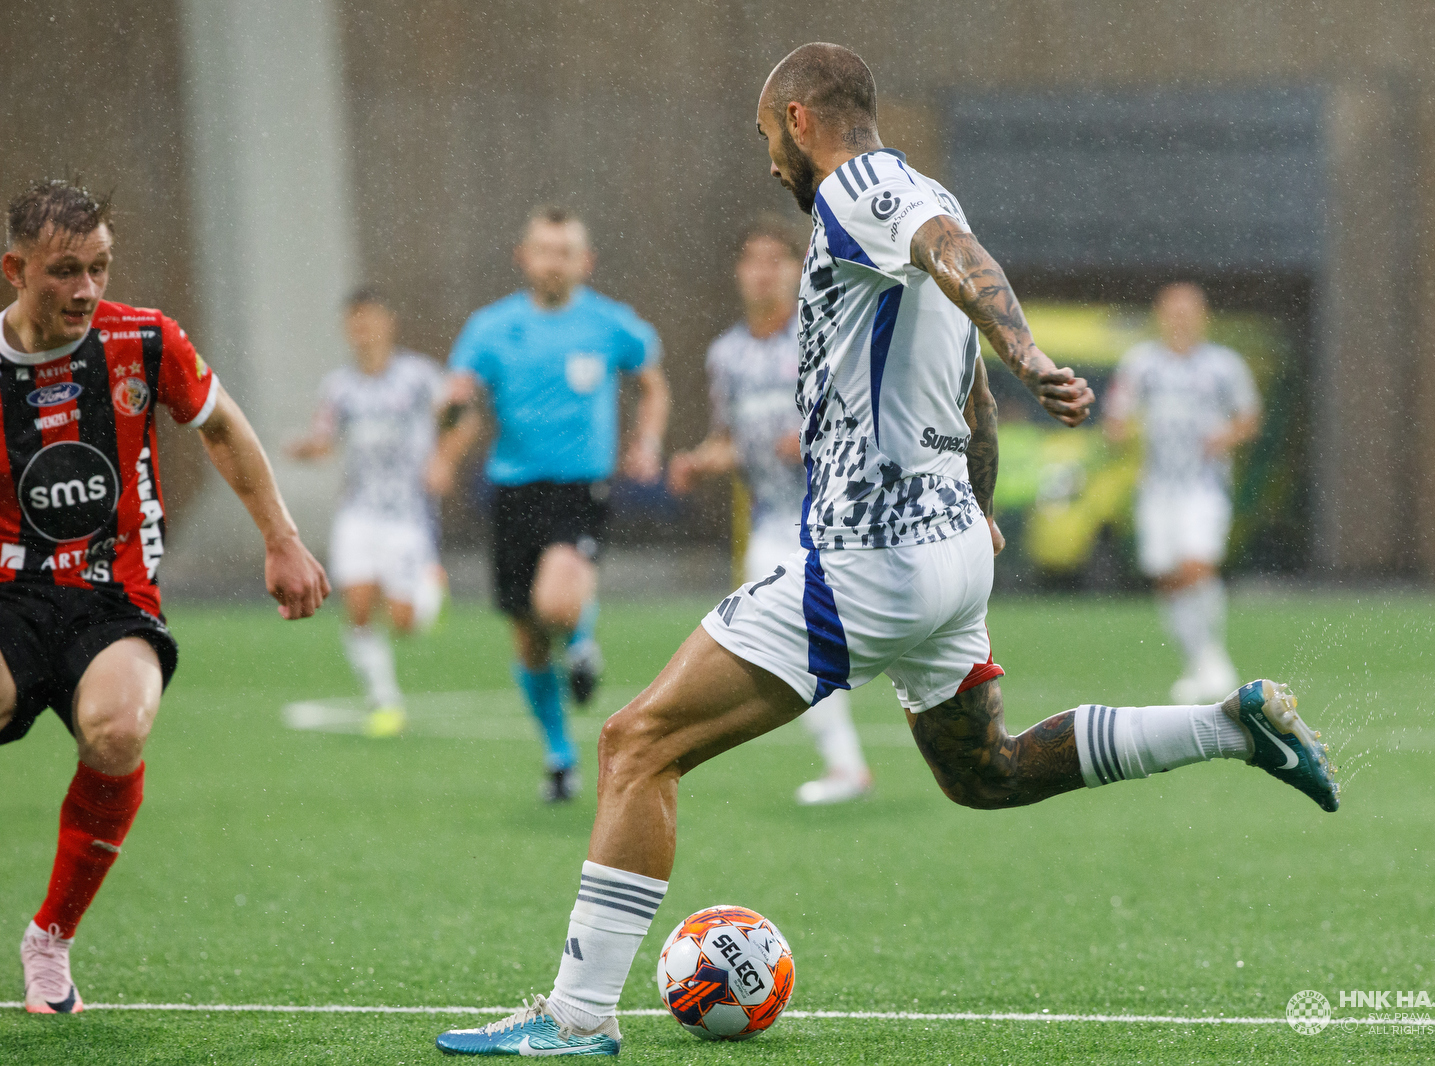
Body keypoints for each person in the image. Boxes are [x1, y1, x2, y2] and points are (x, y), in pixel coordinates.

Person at [435, 44, 1337, 1057]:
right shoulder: (917, 191)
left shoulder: (866, 190)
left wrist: (1033, 354)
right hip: (951, 551)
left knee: (636, 745)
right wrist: (983, 499)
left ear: (799, 120)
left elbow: (964, 263)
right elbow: (965, 390)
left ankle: (577, 1014)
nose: (767, 158)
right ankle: (1231, 728)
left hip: (869, 558)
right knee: (984, 770)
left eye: (765, 135)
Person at [0, 179, 328, 1014]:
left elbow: (222, 426)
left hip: (116, 597)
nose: (85, 290)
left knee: (118, 726)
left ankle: (50, 940)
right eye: (64, 271)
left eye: (99, 269)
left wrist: (282, 537)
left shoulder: (145, 342)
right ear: (16, 269)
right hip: (10, 595)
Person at [429, 207, 670, 804]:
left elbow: (652, 381)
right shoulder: (490, 328)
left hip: (579, 490)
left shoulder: (610, 325)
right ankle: (559, 757)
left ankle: (583, 641)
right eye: (544, 249)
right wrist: (449, 428)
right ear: (524, 257)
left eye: (565, 251)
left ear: (584, 262)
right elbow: (458, 406)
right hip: (513, 493)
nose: (554, 261)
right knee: (529, 638)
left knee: (557, 601)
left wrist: (647, 441)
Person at [668, 216, 873, 806]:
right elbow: (731, 437)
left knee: (861, 641)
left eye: (776, 260)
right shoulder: (726, 355)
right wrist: (699, 462)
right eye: (753, 260)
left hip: (841, 517)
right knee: (802, 644)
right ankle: (846, 766)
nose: (764, 273)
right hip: (772, 526)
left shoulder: (825, 337)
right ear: (740, 272)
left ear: (798, 268)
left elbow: (869, 421)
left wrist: (815, 439)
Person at [287, 287, 448, 737]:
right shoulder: (339, 387)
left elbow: (460, 416)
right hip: (358, 512)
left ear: (388, 322)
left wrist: (444, 459)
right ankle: (384, 700)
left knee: (403, 621)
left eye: (371, 319)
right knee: (357, 605)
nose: (364, 330)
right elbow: (325, 437)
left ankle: (431, 586)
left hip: (407, 513)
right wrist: (306, 448)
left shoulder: (419, 377)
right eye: (355, 322)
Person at [1104, 283, 1262, 703]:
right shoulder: (1142, 365)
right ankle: (1198, 663)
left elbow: (1249, 418)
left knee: (1197, 564)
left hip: (1203, 484)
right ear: (1160, 316)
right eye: (1173, 312)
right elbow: (1117, 414)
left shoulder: (1223, 366)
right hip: (1157, 486)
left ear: (1202, 317)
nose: (1180, 320)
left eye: (1188, 312)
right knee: (1167, 576)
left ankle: (1214, 659)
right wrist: (1121, 430)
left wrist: (1223, 437)